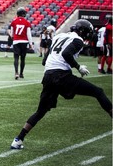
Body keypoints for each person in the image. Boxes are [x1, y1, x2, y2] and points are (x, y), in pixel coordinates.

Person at [10, 19, 112, 150]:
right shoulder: (78, 40)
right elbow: (66, 53)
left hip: (48, 76)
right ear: (82, 31)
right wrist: (78, 66)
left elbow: (44, 60)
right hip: (62, 76)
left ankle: (18, 139)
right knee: (98, 92)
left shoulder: (59, 36)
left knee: (41, 111)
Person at [10, 7, 33, 79]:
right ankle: (21, 73)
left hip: (16, 41)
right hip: (24, 41)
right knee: (23, 58)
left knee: (16, 58)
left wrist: (14, 38)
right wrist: (31, 44)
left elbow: (11, 34)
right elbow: (29, 34)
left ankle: (16, 73)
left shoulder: (13, 22)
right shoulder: (27, 23)